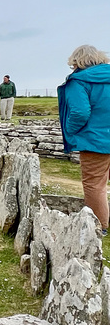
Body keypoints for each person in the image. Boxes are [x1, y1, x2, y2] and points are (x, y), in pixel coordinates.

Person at [58, 45, 110, 235]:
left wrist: (70, 131)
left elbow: (80, 112)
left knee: (94, 184)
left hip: (95, 141)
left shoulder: (79, 81)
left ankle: (99, 227)